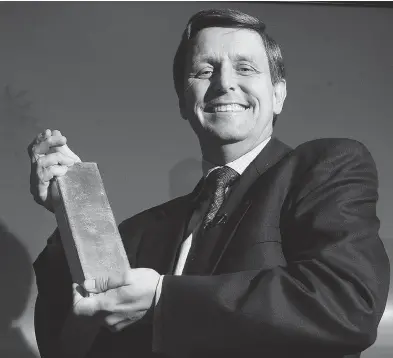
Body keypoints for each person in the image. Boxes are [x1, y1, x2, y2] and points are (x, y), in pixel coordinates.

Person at [29, 8, 390, 358]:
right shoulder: (141, 231)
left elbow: (347, 304)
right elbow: (68, 346)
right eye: (204, 71)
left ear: (278, 94)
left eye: (245, 68)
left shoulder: (325, 168)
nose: (224, 83)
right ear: (184, 102)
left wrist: (162, 297)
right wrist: (72, 208)